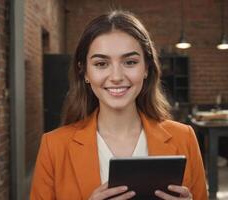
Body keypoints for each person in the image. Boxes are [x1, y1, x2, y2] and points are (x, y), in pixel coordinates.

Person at [30, 10, 207, 200]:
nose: (116, 77)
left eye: (130, 62)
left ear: (146, 68)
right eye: (101, 64)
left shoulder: (184, 138)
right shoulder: (54, 147)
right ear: (85, 72)